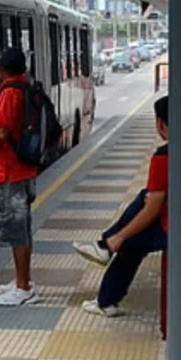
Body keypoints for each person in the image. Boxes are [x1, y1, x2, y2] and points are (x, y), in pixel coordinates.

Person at [72, 95, 169, 317]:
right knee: (145, 196)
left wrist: (121, 236)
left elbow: (152, 210)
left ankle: (106, 298)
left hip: (179, 229)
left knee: (131, 243)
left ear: (160, 124)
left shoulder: (164, 158)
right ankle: (105, 247)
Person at [0, 47, 39, 307]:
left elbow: (1, 133)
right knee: (22, 229)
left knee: (16, 231)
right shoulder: (27, 88)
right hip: (24, 169)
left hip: (11, 172)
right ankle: (22, 281)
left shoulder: (10, 93)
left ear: (1, 70)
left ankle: (23, 288)